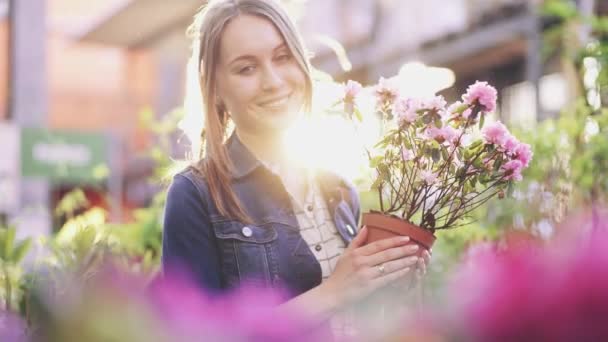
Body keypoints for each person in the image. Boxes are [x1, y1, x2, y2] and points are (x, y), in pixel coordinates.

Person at [161, 0, 431, 334]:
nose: (272, 81)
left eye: (282, 57)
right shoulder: (196, 195)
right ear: (215, 89)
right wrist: (333, 292)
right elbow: (193, 334)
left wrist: (391, 284)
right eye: (246, 68)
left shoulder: (338, 188)